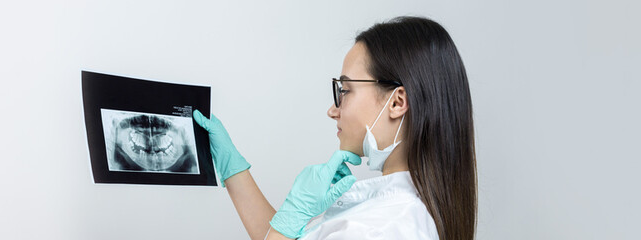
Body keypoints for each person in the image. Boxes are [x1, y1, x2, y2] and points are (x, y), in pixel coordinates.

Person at [192, 16, 476, 240]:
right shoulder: (402, 209)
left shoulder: (379, 228)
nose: (333, 110)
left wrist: (294, 213)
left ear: (397, 102)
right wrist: (233, 169)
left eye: (346, 90)